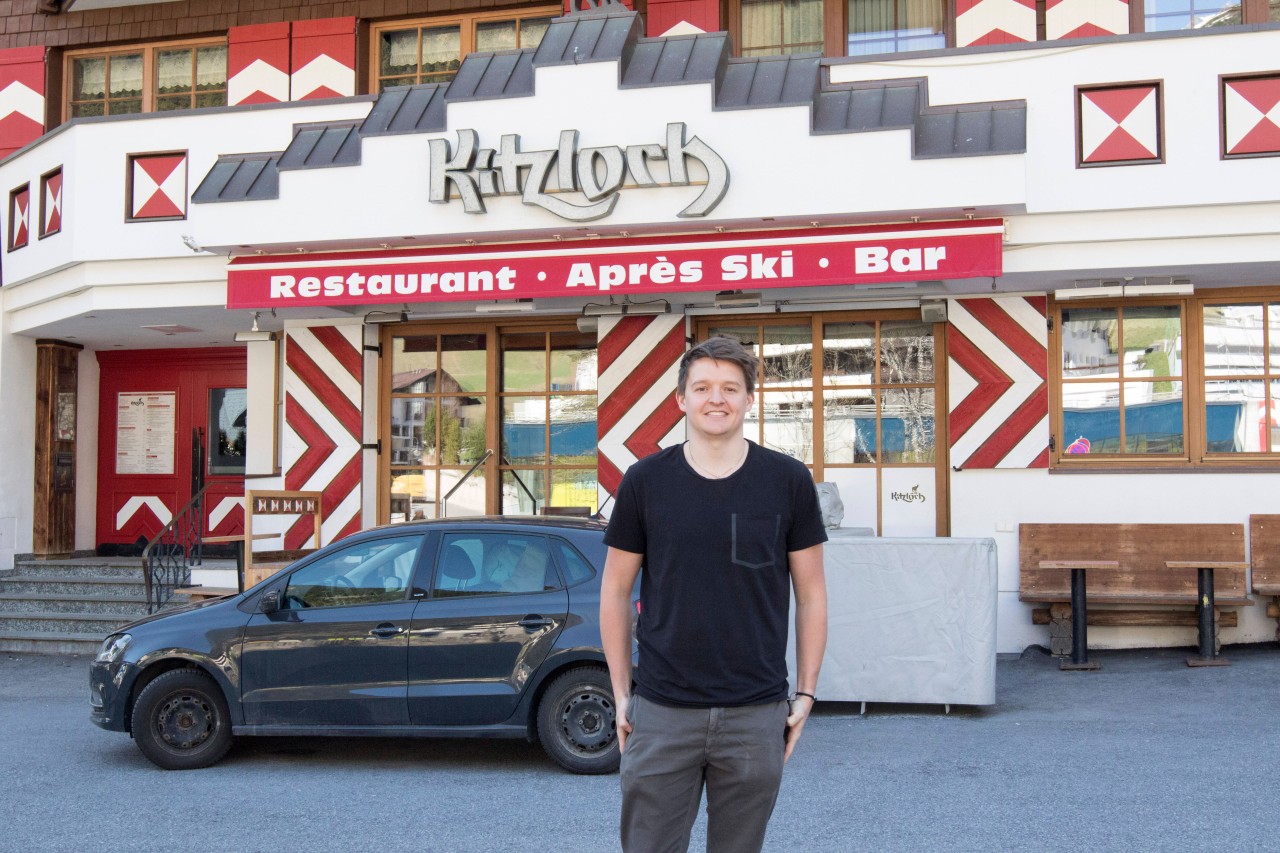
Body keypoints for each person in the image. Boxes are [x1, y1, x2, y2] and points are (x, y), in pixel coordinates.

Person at [599, 335, 829, 853]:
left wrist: (807, 693)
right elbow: (615, 590)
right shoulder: (645, 481)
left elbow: (812, 594)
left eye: (730, 387)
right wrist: (620, 693)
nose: (716, 398)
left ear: (751, 398)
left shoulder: (788, 481)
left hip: (755, 710)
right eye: (702, 387)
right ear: (681, 399)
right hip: (661, 709)